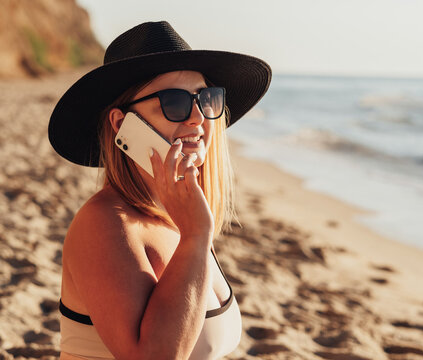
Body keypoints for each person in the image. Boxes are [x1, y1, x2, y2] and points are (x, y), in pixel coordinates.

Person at [48, 21, 271, 359]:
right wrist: (197, 237)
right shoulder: (105, 224)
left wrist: (196, 233)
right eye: (174, 101)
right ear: (122, 124)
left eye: (206, 98)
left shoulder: (179, 215)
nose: (198, 117)